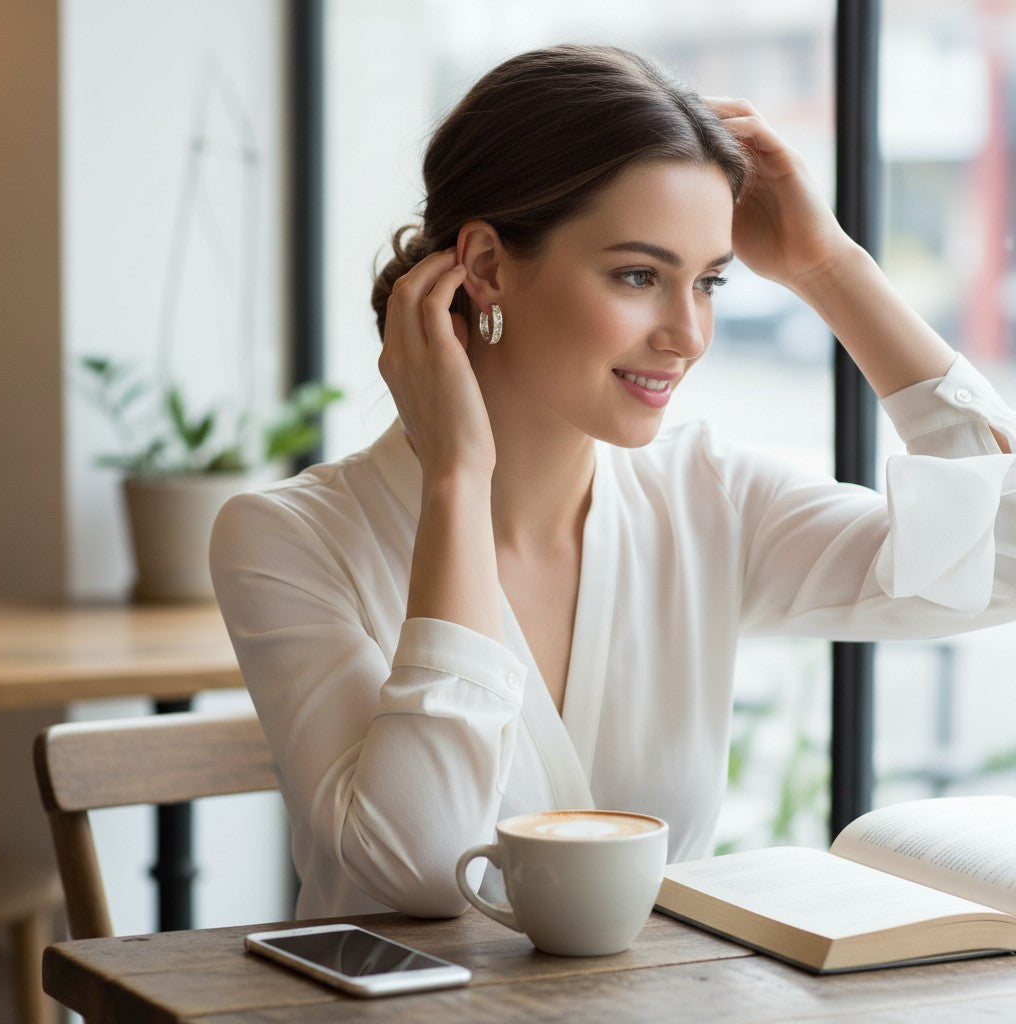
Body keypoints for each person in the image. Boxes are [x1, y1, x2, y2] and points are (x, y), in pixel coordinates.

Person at [210, 44, 1016, 920]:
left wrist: (830, 268)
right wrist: (457, 479)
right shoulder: (287, 540)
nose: (690, 334)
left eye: (707, 281)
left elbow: (1000, 556)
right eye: (639, 276)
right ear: (484, 265)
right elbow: (422, 867)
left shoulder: (708, 498)